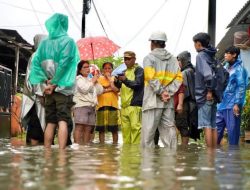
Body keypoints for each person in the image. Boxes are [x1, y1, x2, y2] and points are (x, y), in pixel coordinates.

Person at [29, 13, 80, 149]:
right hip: (63, 89)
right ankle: (62, 154)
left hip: (48, 88)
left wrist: (47, 82)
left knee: (50, 121)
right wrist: (55, 83)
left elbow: (36, 64)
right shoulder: (69, 42)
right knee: (63, 120)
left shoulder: (44, 43)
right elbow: (66, 66)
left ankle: (47, 153)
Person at [141, 31, 182, 148]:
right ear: (164, 44)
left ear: (153, 43)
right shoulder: (174, 60)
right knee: (169, 133)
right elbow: (179, 78)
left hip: (152, 101)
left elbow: (150, 77)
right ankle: (170, 162)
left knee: (147, 136)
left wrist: (161, 92)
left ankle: (148, 163)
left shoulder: (149, 58)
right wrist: (168, 92)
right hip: (167, 101)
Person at [216, 46, 248, 145]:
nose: (225, 55)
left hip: (232, 106)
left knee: (232, 134)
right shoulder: (225, 67)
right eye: (225, 53)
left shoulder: (239, 69)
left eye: (227, 53)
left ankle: (234, 158)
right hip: (221, 104)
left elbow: (241, 87)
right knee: (216, 133)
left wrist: (237, 104)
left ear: (234, 55)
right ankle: (213, 158)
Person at [21, 34, 47, 145]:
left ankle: (34, 153)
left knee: (38, 127)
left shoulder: (38, 55)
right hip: (40, 96)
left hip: (37, 96)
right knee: (39, 126)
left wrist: (41, 93)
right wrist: (41, 93)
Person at [193, 32, 217, 148]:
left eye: (194, 43)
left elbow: (208, 75)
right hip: (214, 95)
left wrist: (208, 91)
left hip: (204, 95)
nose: (194, 45)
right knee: (213, 125)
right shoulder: (211, 55)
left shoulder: (200, 56)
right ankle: (213, 153)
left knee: (206, 124)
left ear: (198, 43)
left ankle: (209, 154)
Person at [114, 51, 144, 144]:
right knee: (125, 132)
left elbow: (138, 84)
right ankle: (127, 155)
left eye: (128, 59)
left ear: (134, 59)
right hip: (124, 106)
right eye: (125, 59)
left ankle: (135, 154)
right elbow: (119, 87)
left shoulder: (139, 70)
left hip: (134, 105)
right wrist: (117, 81)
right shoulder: (123, 71)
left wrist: (125, 80)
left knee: (136, 129)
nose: (126, 61)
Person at [73, 60, 103, 144]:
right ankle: (77, 147)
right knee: (79, 127)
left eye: (88, 67)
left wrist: (96, 81)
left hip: (92, 106)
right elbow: (84, 89)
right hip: (81, 106)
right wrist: (92, 81)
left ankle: (86, 147)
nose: (87, 69)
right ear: (80, 70)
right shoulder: (78, 79)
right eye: (85, 67)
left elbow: (100, 91)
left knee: (88, 128)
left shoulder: (91, 78)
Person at [175, 51, 199, 145]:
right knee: (186, 125)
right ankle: (184, 148)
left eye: (179, 61)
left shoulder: (184, 73)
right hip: (193, 103)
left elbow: (183, 90)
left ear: (183, 61)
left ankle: (183, 149)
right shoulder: (194, 70)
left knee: (181, 125)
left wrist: (178, 103)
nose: (178, 63)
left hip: (185, 103)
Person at [95, 62, 120, 144]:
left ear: (112, 69)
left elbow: (116, 89)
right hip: (101, 105)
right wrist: (109, 88)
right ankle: (102, 146)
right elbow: (99, 91)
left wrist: (109, 81)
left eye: (109, 68)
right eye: (105, 68)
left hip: (113, 105)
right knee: (101, 129)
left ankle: (115, 146)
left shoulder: (115, 78)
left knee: (114, 129)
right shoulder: (98, 79)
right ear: (102, 70)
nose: (107, 70)